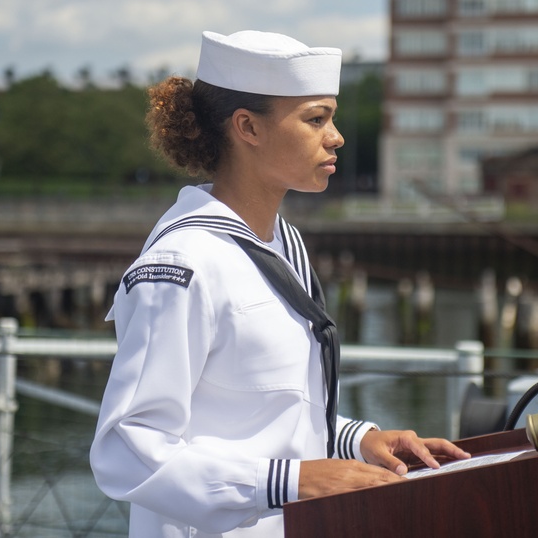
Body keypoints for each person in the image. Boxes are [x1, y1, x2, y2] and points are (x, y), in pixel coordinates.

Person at [90, 30, 469, 537]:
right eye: (316, 119)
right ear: (247, 127)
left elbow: (264, 409)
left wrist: (355, 441)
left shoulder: (281, 243)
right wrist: (289, 481)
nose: (335, 137)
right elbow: (127, 450)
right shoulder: (183, 266)